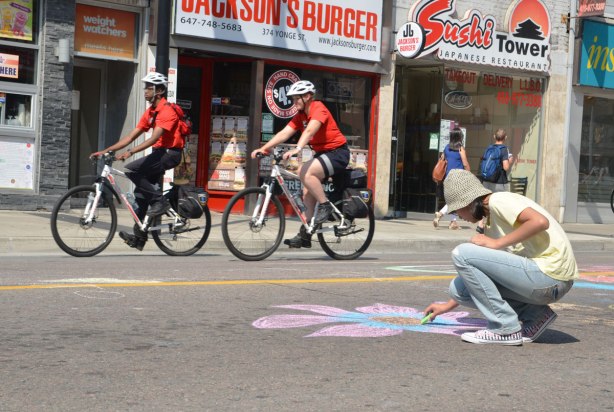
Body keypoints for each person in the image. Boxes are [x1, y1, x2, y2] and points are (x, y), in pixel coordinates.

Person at [424, 169, 578, 345]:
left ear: (467, 202)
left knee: (461, 253)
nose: (458, 216)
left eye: (457, 210)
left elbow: (540, 222)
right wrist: (448, 306)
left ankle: (505, 328)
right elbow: (483, 279)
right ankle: (537, 316)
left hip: (550, 275)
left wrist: (497, 243)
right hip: (544, 280)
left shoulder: (499, 201)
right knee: (459, 289)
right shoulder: (490, 220)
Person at [90, 72, 183, 251]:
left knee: (133, 170)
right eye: (145, 87)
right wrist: (107, 150)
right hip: (159, 153)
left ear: (160, 90)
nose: (146, 91)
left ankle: (160, 203)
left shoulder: (167, 111)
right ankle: (139, 239)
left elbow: (154, 138)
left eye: (150, 87)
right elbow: (131, 136)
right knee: (141, 197)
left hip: (170, 153)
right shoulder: (151, 112)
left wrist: (130, 152)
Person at [251, 80, 350, 248]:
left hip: (338, 153)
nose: (293, 102)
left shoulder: (319, 108)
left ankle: (326, 207)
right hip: (323, 154)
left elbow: (311, 130)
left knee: (305, 172)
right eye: (293, 99)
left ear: (307, 97)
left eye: (296, 98)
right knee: (307, 192)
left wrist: (298, 148)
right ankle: (306, 235)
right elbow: (285, 132)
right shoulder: (301, 115)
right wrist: (265, 148)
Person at [477, 128, 513, 233]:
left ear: (494, 137)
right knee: (502, 203)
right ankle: (498, 226)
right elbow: (505, 167)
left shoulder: (489, 148)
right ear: (505, 138)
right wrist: (510, 161)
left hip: (486, 179)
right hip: (499, 182)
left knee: (485, 202)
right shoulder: (504, 149)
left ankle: (480, 224)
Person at [433, 127, 470, 230]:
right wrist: (469, 173)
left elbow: (442, 159)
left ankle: (453, 222)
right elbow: (465, 163)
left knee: (455, 200)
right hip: (458, 177)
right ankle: (441, 214)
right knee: (456, 200)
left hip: (448, 177)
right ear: (460, 137)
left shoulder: (446, 148)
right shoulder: (461, 149)